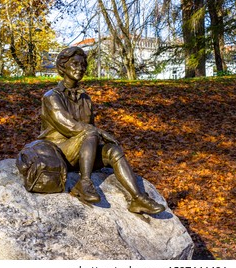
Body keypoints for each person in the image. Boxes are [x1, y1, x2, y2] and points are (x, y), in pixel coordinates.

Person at [38, 47, 165, 215]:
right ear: (62, 67)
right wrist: (98, 132)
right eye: (74, 64)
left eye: (83, 65)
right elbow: (68, 125)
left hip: (79, 150)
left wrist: (98, 136)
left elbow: (88, 132)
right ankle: (84, 183)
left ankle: (137, 198)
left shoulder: (85, 99)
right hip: (58, 152)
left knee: (113, 150)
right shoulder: (51, 96)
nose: (80, 68)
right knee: (90, 133)